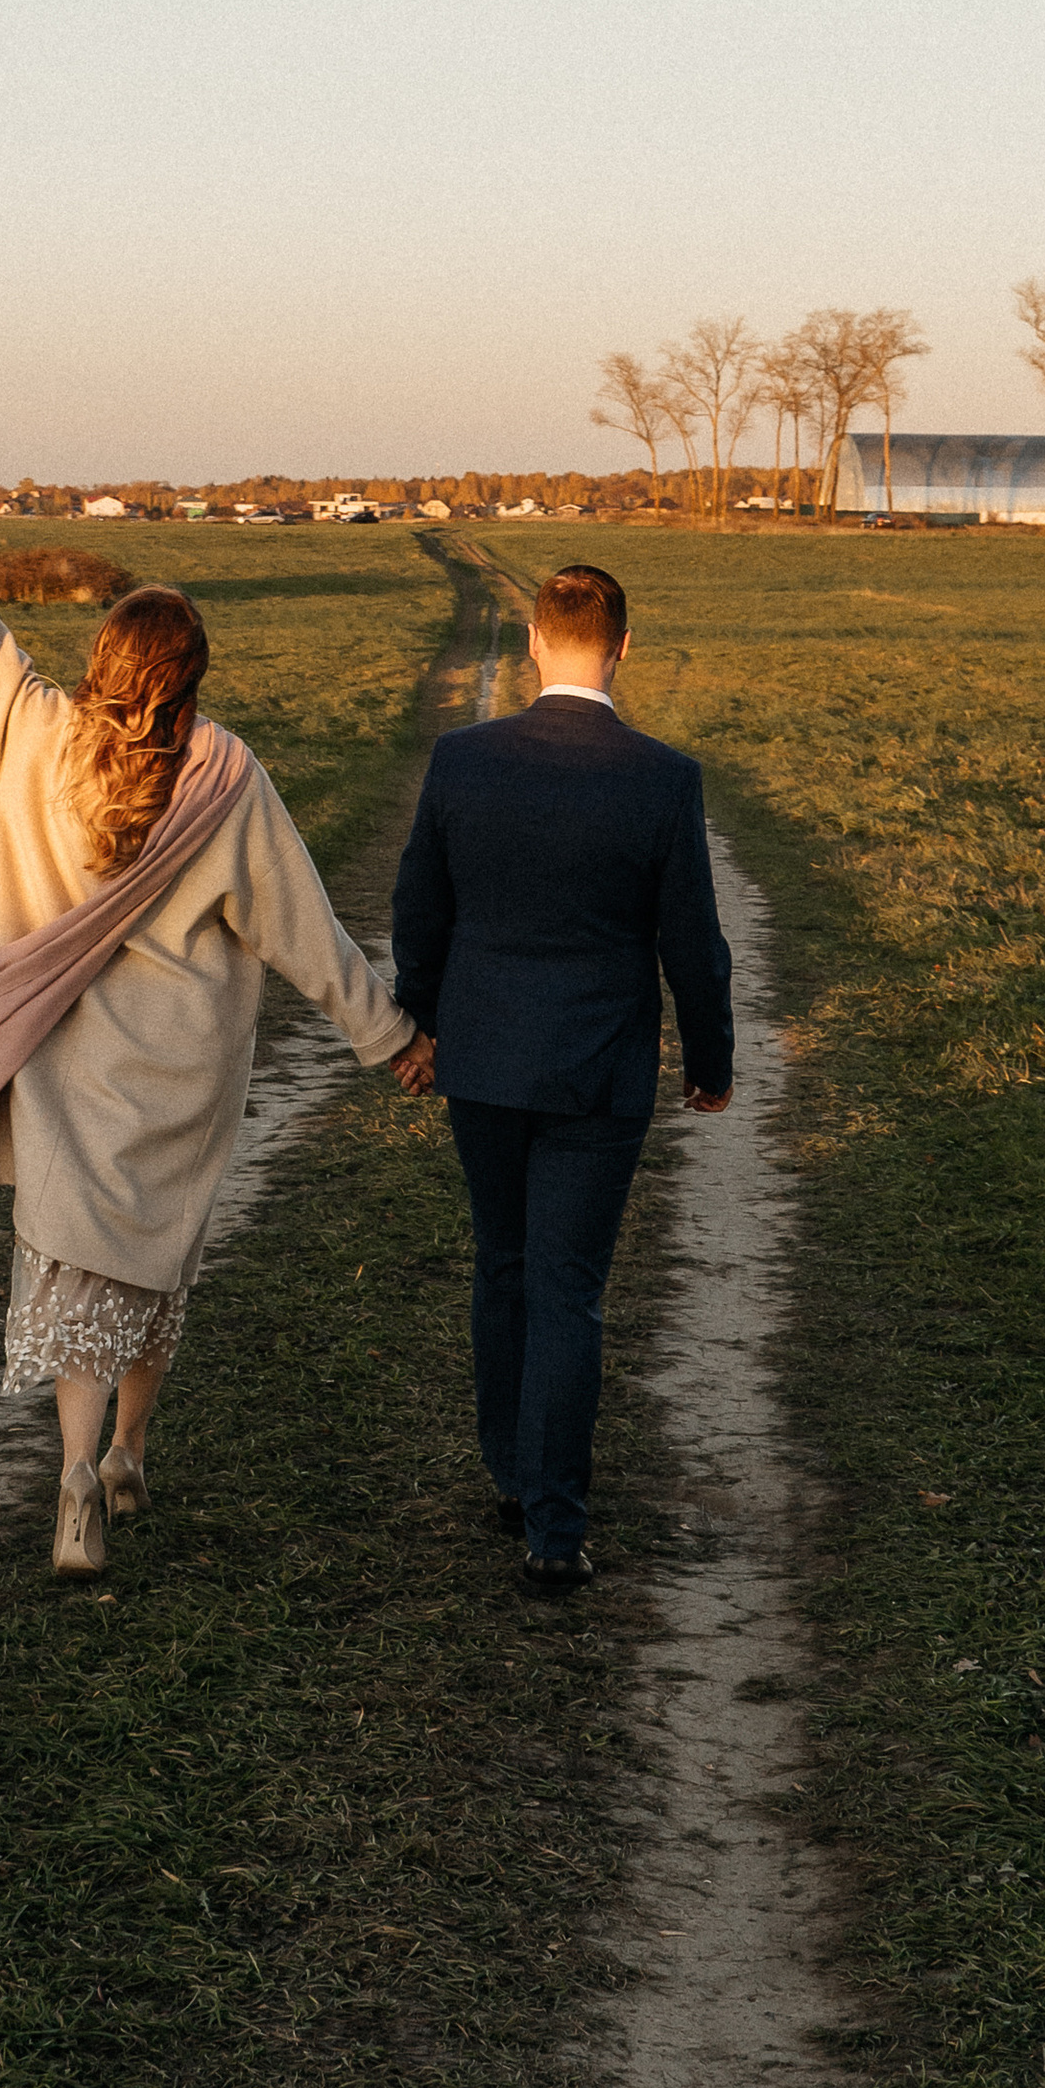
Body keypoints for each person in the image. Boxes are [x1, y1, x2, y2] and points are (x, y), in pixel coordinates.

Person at [0, 472, 435, 1575]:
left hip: (59, 1067)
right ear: (190, 685)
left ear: (102, 664)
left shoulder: (35, 737)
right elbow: (308, 936)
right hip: (178, 1071)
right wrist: (393, 1039)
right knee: (149, 1264)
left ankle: (80, 1475)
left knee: (69, 1261)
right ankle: (134, 1451)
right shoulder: (228, 780)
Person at [388, 561, 732, 1595]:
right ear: (624, 646)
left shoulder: (461, 760)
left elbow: (418, 909)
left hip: (483, 1057)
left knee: (502, 1263)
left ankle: (509, 1470)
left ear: (534, 643)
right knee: (567, 1290)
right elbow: (694, 944)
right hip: (598, 1067)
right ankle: (554, 1525)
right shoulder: (662, 777)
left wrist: (422, 1021)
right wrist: (709, 1063)